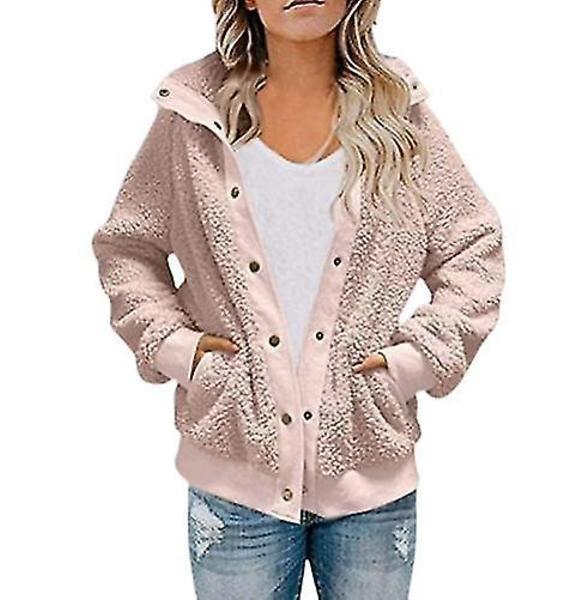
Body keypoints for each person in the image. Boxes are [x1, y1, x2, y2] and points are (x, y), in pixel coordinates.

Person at [91, 0, 505, 597]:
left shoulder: (400, 118)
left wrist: (412, 363)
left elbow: (473, 247)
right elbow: (128, 247)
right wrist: (181, 352)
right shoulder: (194, 118)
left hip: (369, 479)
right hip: (235, 480)